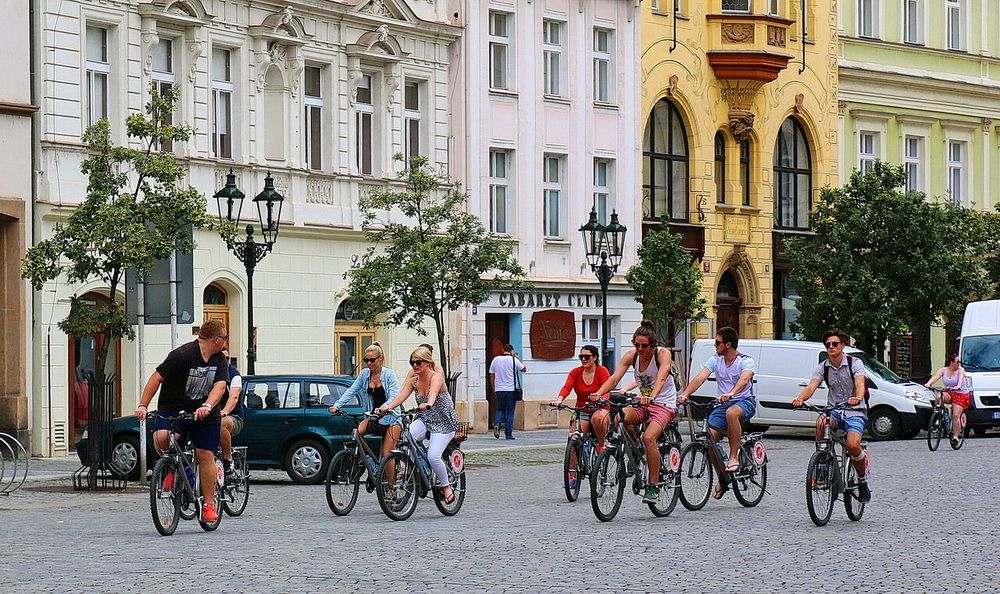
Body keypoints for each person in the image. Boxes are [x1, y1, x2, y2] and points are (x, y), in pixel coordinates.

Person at [135, 319, 230, 523]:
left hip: (206, 413)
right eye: (224, 338)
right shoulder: (182, 355)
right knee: (161, 438)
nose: (225, 342)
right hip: (174, 408)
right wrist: (143, 405)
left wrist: (207, 406)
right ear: (216, 339)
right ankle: (174, 469)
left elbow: (220, 387)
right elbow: (156, 378)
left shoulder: (220, 360)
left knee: (205, 453)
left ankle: (208, 504)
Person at [592, 321, 677, 504]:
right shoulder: (632, 356)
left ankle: (653, 486)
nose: (640, 349)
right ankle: (634, 447)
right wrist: (598, 394)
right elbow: (614, 378)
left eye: (644, 346)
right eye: (636, 345)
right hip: (642, 404)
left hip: (663, 404)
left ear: (652, 345)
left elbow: (662, 377)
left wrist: (652, 396)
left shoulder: (662, 354)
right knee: (618, 417)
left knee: (649, 438)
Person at [791, 328, 871, 503]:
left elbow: (860, 383)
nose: (831, 347)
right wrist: (800, 399)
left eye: (835, 344)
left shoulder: (854, 363)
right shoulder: (823, 367)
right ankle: (822, 463)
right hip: (834, 409)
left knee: (852, 444)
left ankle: (862, 480)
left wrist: (857, 397)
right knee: (821, 422)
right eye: (828, 345)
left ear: (842, 345)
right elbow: (811, 386)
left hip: (855, 411)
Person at [677, 326, 756, 501]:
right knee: (708, 439)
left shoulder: (745, 361)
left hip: (744, 402)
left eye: (717, 343)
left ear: (728, 344)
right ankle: (722, 477)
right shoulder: (715, 360)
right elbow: (699, 377)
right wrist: (685, 394)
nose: (715, 345)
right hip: (722, 404)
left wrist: (731, 393)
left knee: (731, 413)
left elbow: (744, 380)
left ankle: (734, 457)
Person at [376, 346, 458, 504]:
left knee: (433, 456)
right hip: (425, 419)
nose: (414, 365)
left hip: (443, 422)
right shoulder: (414, 379)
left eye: (418, 362)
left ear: (427, 363)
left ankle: (446, 486)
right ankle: (413, 469)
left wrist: (428, 403)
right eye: (412, 362)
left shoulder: (436, 377)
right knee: (406, 438)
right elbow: (401, 396)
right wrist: (387, 407)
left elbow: (433, 393)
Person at [550, 345, 611, 488]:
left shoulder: (602, 371)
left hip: (600, 408)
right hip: (582, 409)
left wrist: (601, 397)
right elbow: (567, 387)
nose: (583, 359)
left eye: (587, 357)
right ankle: (572, 474)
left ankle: (602, 445)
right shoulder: (575, 372)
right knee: (574, 437)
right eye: (581, 357)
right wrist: (559, 399)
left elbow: (607, 387)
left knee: (598, 419)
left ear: (595, 358)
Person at [328, 343, 403, 460]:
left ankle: (390, 478)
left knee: (387, 455)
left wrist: (384, 407)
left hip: (391, 418)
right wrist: (337, 405)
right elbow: (351, 390)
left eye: (372, 360)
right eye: (366, 360)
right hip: (373, 416)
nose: (369, 363)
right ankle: (365, 459)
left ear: (380, 359)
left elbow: (394, 396)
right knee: (356, 434)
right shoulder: (364, 374)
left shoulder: (389, 375)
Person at [924, 353, 971, 447]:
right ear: (951, 362)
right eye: (957, 362)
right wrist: (928, 384)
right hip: (950, 392)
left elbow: (960, 380)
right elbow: (935, 377)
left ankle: (956, 437)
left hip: (961, 394)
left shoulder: (960, 370)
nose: (959, 363)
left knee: (956, 415)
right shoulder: (943, 370)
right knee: (939, 396)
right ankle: (938, 413)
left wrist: (957, 386)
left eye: (959, 362)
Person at [489, 344, 526, 440]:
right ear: (511, 351)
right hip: (510, 390)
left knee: (500, 409)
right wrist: (516, 357)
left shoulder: (496, 359)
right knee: (510, 412)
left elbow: (491, 374)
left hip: (499, 389)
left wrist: (493, 386)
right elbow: (524, 369)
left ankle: (497, 424)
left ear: (503, 350)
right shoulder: (513, 360)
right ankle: (508, 434)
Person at [219, 347, 244, 483]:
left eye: (227, 358)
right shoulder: (210, 372)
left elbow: (234, 397)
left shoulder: (234, 375)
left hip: (233, 417)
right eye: (221, 358)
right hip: (208, 417)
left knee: (222, 424)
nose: (225, 361)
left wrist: (225, 411)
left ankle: (228, 460)